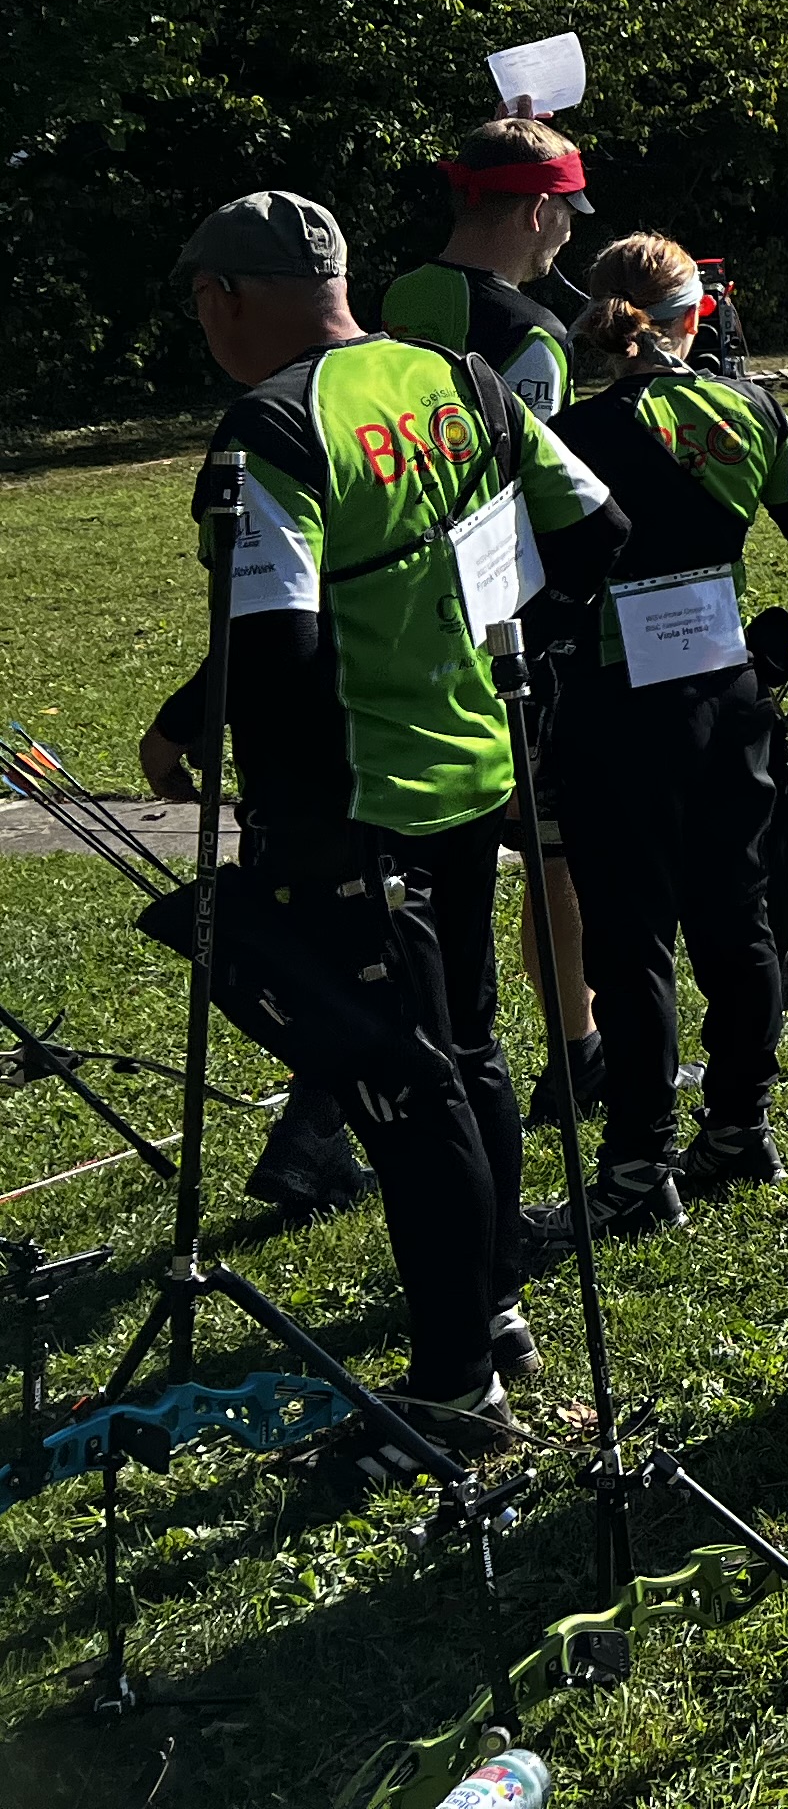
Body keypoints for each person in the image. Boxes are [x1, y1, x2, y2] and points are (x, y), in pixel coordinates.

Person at [137, 190, 626, 1461]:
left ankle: (456, 1395)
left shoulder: (272, 424)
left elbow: (280, 649)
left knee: (405, 1088)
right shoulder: (457, 376)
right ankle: (497, 1312)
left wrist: (220, 740)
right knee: (469, 1050)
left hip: (354, 806)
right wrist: (489, 642)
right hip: (472, 772)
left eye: (201, 299)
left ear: (226, 299)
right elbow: (597, 529)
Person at [536, 235, 788, 1237]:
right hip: (727, 695)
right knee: (737, 917)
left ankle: (638, 1167)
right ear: (694, 316)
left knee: (630, 944)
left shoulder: (569, 432)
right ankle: (740, 1126)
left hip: (617, 706)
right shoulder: (750, 408)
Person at [382, 112, 606, 1139]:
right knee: (551, 853)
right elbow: (535, 499)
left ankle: (340, 1106)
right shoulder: (534, 336)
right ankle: (576, 1050)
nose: (570, 231)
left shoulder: (395, 297)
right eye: (566, 211)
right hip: (496, 627)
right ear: (532, 212)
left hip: (388, 608)